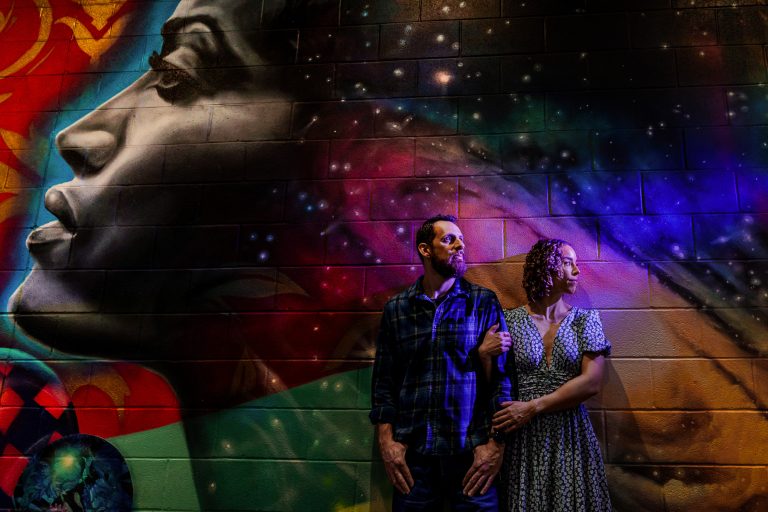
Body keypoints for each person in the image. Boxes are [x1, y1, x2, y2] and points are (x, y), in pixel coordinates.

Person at [369, 214, 514, 511]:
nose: (460, 245)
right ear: (425, 249)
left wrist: (495, 444)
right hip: (414, 458)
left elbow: (503, 381)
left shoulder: (482, 302)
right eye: (449, 239)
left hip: (471, 454)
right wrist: (387, 443)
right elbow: (384, 383)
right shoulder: (397, 308)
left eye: (461, 239)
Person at [482, 238, 612, 511]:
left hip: (570, 433)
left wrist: (532, 407)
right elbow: (490, 383)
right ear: (547, 267)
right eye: (568, 263)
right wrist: (484, 354)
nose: (577, 270)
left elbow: (592, 382)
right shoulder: (509, 320)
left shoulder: (585, 320)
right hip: (524, 438)